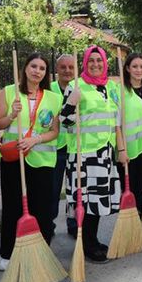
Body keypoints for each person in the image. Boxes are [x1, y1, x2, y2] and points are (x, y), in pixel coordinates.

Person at [0, 53, 62, 272]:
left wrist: (36, 139)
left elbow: (54, 132)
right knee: (12, 206)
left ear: (46, 73)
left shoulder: (53, 98)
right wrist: (12, 115)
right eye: (33, 66)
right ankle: (7, 253)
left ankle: (40, 252)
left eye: (42, 68)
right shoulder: (8, 92)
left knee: (42, 208)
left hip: (42, 159)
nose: (37, 71)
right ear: (25, 68)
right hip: (14, 158)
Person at [61, 45, 121, 263]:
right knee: (83, 200)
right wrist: (71, 102)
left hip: (104, 152)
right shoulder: (76, 87)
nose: (95, 64)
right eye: (91, 61)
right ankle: (85, 243)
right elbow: (65, 123)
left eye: (99, 61)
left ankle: (92, 239)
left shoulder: (109, 87)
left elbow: (115, 121)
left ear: (105, 63)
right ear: (85, 63)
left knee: (97, 200)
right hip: (82, 155)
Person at [116, 52, 142, 218]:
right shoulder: (120, 92)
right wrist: (121, 150)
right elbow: (116, 125)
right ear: (127, 68)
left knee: (138, 190)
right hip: (128, 150)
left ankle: (137, 227)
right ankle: (126, 226)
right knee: (127, 191)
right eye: (135, 66)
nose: (139, 70)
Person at [49, 54, 77, 236]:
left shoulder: (80, 88)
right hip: (54, 148)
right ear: (56, 69)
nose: (67, 70)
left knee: (74, 189)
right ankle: (48, 225)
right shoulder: (49, 89)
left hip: (75, 147)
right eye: (63, 67)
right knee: (52, 190)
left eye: (71, 67)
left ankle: (74, 224)